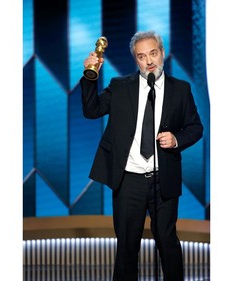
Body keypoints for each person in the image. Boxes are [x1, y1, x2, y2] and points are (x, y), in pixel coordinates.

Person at [80, 31, 203, 281]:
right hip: (129, 181)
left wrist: (177, 139)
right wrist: (89, 76)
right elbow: (91, 110)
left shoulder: (180, 90)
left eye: (153, 53)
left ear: (163, 53)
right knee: (127, 246)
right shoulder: (120, 86)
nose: (149, 61)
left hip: (163, 178)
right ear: (135, 60)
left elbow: (195, 127)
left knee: (167, 242)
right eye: (141, 56)